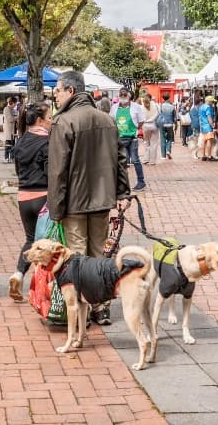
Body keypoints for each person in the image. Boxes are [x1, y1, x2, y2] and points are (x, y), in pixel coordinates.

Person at [48, 71, 131, 325]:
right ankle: (101, 307)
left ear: (70, 91)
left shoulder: (63, 122)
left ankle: (81, 313)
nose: (56, 95)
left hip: (73, 202)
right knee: (98, 255)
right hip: (102, 200)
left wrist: (55, 209)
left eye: (58, 90)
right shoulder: (107, 120)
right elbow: (121, 160)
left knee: (76, 258)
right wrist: (123, 192)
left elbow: (58, 171)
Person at [8, 100, 51, 302]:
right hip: (43, 196)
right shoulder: (47, 142)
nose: (51, 121)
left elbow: (18, 171)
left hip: (23, 197)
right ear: (40, 120)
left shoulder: (21, 141)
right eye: (49, 118)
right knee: (45, 244)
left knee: (30, 239)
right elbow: (50, 171)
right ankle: (41, 289)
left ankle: (18, 274)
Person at [110, 89, 147, 191]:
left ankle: (141, 182)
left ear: (129, 96)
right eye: (121, 95)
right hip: (119, 138)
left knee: (135, 160)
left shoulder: (136, 107)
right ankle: (121, 183)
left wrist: (135, 129)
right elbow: (111, 120)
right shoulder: (114, 108)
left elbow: (141, 120)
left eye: (124, 95)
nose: (123, 96)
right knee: (122, 162)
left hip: (132, 138)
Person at [139, 93, 159, 166]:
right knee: (154, 143)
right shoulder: (156, 105)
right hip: (154, 125)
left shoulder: (141, 107)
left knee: (146, 143)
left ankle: (146, 159)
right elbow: (158, 114)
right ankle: (152, 160)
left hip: (145, 126)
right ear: (151, 98)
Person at [156, 92, 176, 161]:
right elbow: (174, 117)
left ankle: (163, 156)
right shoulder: (172, 106)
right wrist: (175, 124)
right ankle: (168, 150)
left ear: (163, 98)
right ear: (169, 97)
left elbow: (158, 114)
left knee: (162, 138)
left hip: (162, 123)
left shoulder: (160, 105)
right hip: (170, 124)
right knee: (170, 138)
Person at [198, 94, 217, 161]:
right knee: (209, 141)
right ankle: (209, 155)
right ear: (209, 101)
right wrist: (212, 125)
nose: (212, 103)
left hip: (202, 126)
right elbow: (209, 117)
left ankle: (203, 155)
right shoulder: (208, 107)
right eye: (212, 101)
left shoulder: (201, 107)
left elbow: (200, 117)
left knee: (204, 141)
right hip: (208, 126)